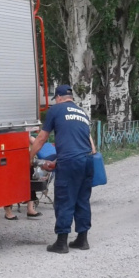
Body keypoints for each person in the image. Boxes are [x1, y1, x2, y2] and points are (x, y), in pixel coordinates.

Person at [29, 84, 97, 253]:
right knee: (82, 199)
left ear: (58, 98)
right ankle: (82, 240)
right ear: (71, 98)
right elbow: (90, 145)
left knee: (64, 198)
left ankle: (61, 242)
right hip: (88, 159)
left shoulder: (56, 110)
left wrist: (29, 158)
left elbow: (41, 138)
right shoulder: (82, 113)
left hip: (71, 161)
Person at [4, 135, 47, 220]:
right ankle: (8, 211)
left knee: (31, 183)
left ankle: (30, 209)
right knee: (10, 184)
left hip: (25, 157)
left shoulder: (26, 130)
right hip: (11, 155)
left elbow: (34, 141)